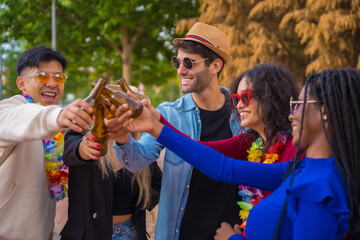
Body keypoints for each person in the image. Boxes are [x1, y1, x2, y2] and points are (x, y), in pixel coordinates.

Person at [121, 68, 360, 239]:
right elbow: (218, 164)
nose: (292, 114)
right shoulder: (300, 168)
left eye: (299, 105)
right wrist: (156, 123)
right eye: (235, 98)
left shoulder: (320, 186)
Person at [108, 22, 243, 240]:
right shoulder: (169, 114)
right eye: (177, 62)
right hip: (181, 233)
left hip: (232, 233)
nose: (181, 70)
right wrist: (123, 137)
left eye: (189, 62)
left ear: (215, 66)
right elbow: (136, 160)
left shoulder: (242, 114)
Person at [0, 45, 93, 240]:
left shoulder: (56, 131)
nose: (52, 83)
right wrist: (59, 115)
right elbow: (20, 118)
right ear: (21, 84)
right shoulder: (9, 110)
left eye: (58, 77)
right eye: (42, 76)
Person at [60, 86, 162, 240]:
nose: (120, 112)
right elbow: (71, 153)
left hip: (130, 234)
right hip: (87, 235)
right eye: (116, 104)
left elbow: (159, 188)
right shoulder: (85, 138)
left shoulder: (141, 152)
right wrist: (83, 149)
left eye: (129, 107)